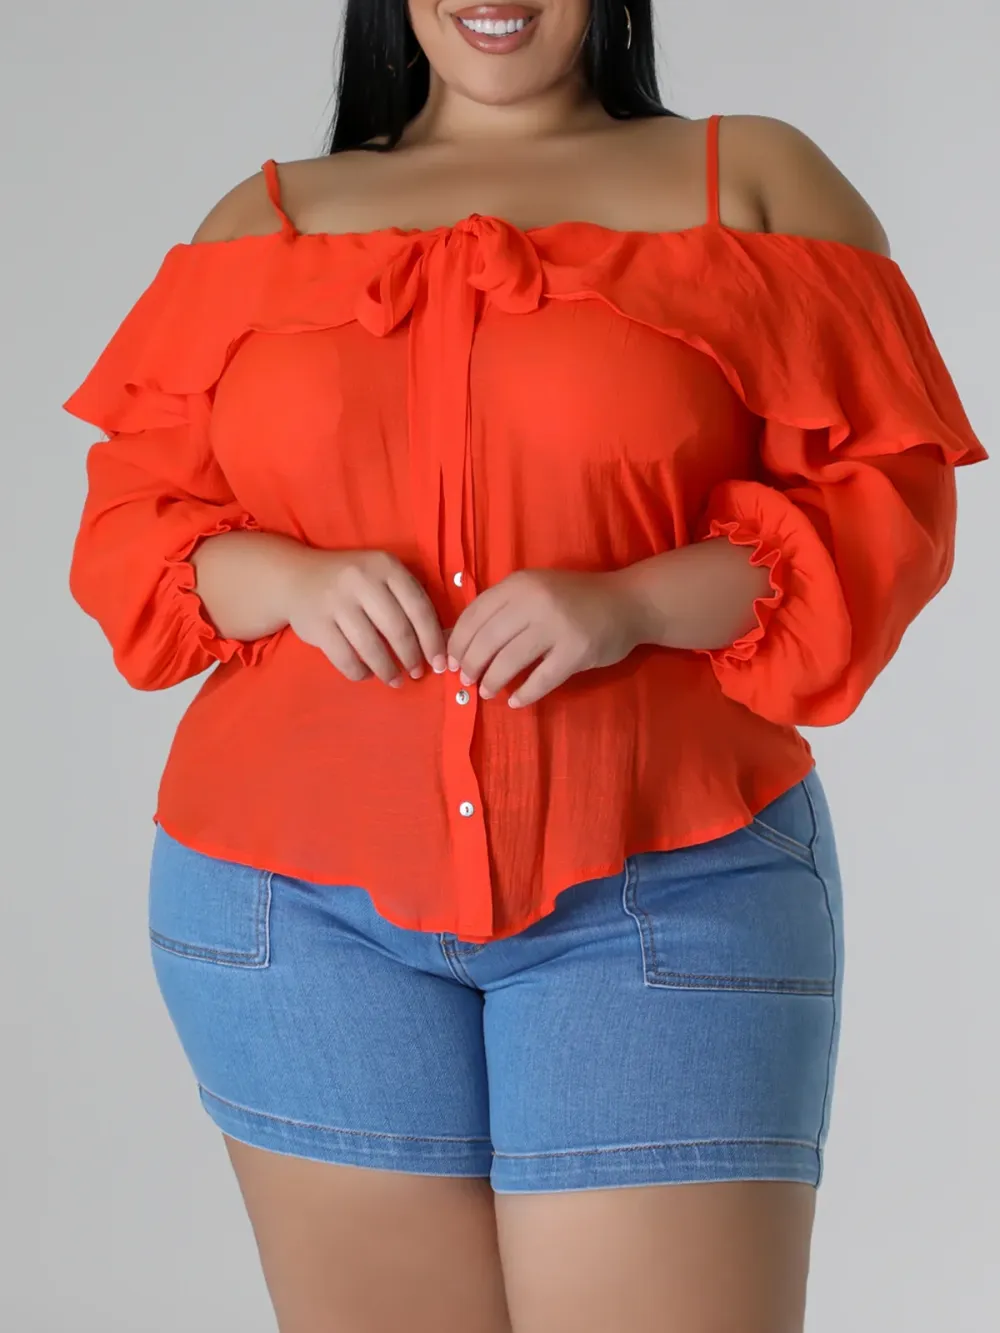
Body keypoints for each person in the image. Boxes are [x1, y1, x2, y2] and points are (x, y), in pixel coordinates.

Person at [63, 2, 987, 1330]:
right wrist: (290, 580)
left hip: (669, 877)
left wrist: (634, 603)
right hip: (287, 911)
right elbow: (133, 529)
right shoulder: (257, 223)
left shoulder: (751, 183)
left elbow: (881, 512)